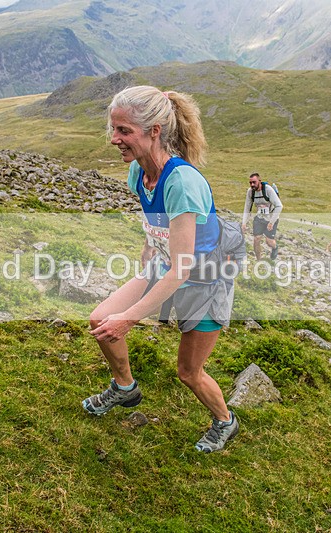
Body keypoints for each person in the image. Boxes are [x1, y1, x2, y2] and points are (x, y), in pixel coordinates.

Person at [84, 86, 239, 453]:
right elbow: (156, 226)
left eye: (124, 131)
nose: (114, 140)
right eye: (113, 129)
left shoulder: (183, 183)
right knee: (100, 321)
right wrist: (146, 259)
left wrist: (131, 317)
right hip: (165, 266)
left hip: (204, 282)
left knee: (188, 373)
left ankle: (225, 421)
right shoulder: (138, 174)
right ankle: (125, 388)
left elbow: (183, 268)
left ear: (154, 130)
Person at [241, 173, 282, 260]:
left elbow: (279, 206)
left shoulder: (268, 190)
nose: (252, 185)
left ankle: (275, 248)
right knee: (256, 239)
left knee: (269, 242)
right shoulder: (250, 192)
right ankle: (259, 261)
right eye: (250, 183)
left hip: (271, 219)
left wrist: (271, 222)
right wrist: (244, 223)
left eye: (254, 182)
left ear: (259, 181)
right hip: (259, 218)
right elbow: (247, 208)